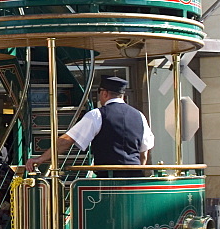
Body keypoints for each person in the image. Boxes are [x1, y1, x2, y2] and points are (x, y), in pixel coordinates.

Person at [25, 76, 153, 178]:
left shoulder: (97, 114)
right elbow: (144, 153)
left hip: (107, 180)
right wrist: (136, 171)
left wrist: (41, 158)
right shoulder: (139, 116)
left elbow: (66, 140)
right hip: (135, 180)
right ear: (122, 95)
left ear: (105, 93)